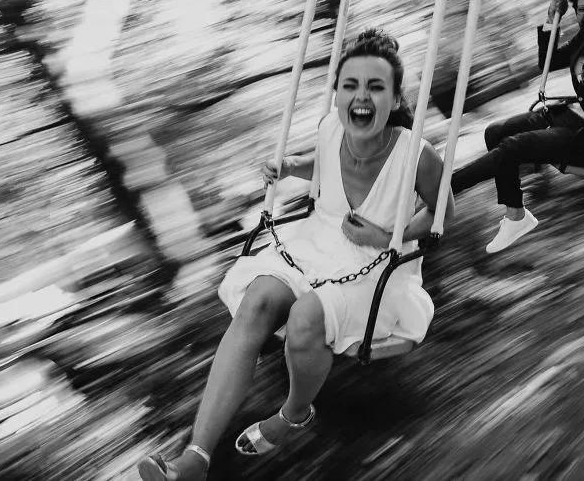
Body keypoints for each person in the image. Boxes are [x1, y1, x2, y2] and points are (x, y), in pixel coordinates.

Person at [137, 29, 455, 481]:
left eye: (376, 86)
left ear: (394, 97)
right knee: (257, 301)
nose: (361, 96)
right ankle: (194, 459)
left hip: (375, 264)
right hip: (314, 243)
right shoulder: (330, 127)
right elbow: (324, 161)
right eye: (350, 85)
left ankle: (293, 413)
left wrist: (389, 235)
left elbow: (444, 214)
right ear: (337, 92)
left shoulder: (416, 154)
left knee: (306, 318)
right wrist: (290, 167)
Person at [450, 0, 584, 253]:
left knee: (511, 147)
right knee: (495, 132)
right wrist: (551, 20)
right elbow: (548, 62)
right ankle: (521, 195)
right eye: (582, 10)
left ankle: (450, 188)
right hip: (572, 117)